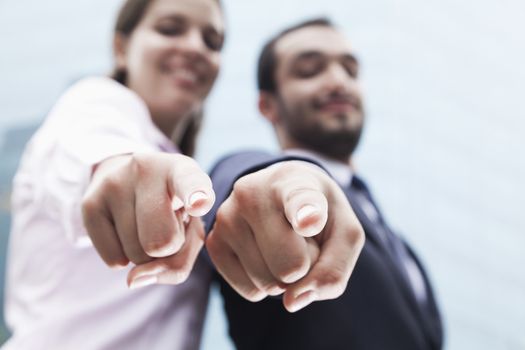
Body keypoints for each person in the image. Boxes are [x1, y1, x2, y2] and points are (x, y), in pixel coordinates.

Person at [203, 18, 444, 350]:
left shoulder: (403, 248)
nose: (337, 81)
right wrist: (283, 179)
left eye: (350, 70)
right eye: (310, 70)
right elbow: (241, 182)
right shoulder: (264, 179)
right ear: (267, 105)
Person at [4, 0, 223, 348]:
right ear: (121, 48)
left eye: (212, 41)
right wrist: (113, 166)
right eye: (170, 29)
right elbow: (87, 145)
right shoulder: (94, 103)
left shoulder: (183, 171)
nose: (195, 46)